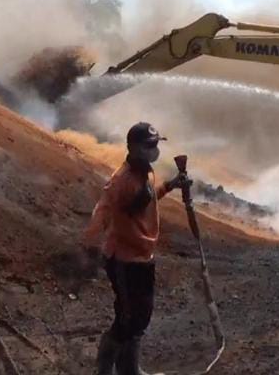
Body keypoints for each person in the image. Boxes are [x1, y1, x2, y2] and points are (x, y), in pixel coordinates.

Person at [82, 122, 191, 375]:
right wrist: (87, 244)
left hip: (143, 256)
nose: (154, 151)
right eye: (149, 146)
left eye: (156, 145)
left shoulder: (146, 173)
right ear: (133, 148)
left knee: (141, 317)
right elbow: (103, 210)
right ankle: (105, 368)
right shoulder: (121, 180)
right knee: (127, 319)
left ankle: (129, 369)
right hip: (123, 259)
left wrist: (171, 185)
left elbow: (146, 200)